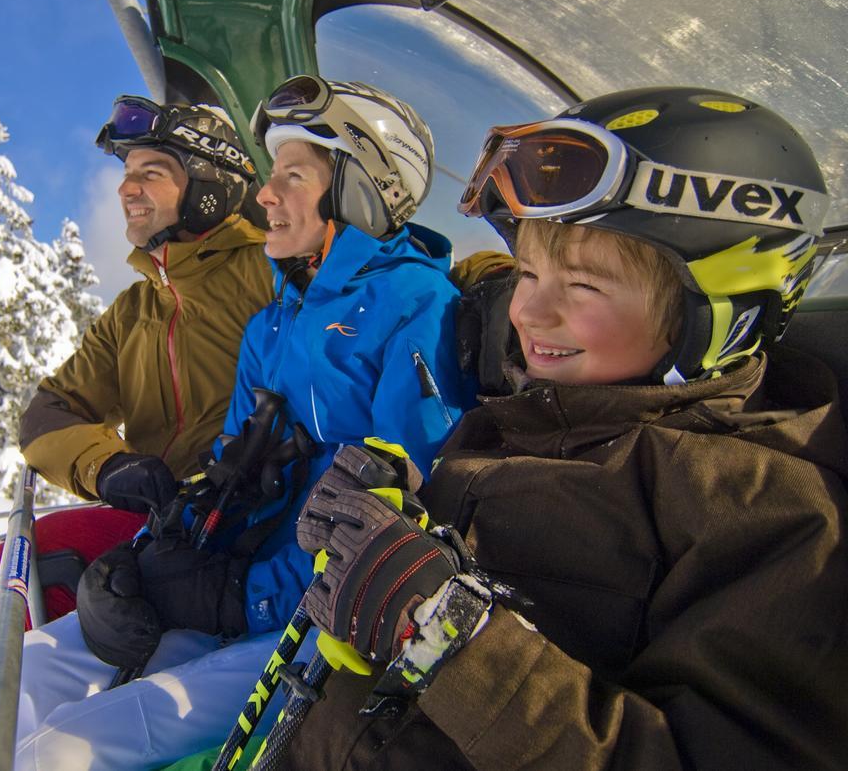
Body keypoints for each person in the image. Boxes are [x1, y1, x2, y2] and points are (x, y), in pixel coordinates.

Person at [278, 86, 848, 770]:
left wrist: (446, 635)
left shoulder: (772, 515)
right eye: (526, 272)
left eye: (582, 286)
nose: (527, 312)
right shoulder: (523, 419)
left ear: (721, 311)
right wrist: (400, 514)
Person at [11, 77, 474, 770]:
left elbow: (391, 517)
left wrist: (239, 601)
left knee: (63, 750)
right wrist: (147, 560)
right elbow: (227, 474)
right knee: (31, 670)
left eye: (292, 176)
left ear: (354, 190)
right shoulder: (274, 321)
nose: (266, 195)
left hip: (313, 622)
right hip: (251, 590)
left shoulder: (418, 306)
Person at [0, 97, 274, 676]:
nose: (128, 189)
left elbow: (384, 280)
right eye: (127, 175)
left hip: (234, 518)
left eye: (152, 173)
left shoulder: (269, 267)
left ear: (208, 185)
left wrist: (490, 282)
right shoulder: (135, 309)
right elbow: (49, 412)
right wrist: (108, 466)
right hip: (153, 515)